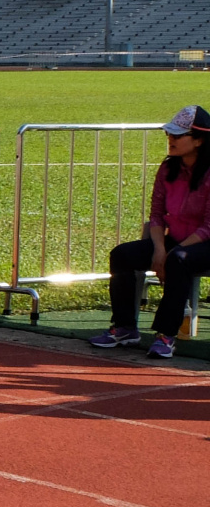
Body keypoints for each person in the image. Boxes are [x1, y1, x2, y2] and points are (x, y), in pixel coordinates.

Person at [91, 105, 210, 359]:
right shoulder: (167, 169)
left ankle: (166, 335)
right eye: (169, 134)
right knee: (122, 255)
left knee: (178, 260)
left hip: (204, 243)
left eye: (178, 135)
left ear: (199, 140)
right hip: (175, 240)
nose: (171, 139)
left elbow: (208, 226)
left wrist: (172, 253)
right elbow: (156, 214)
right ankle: (124, 327)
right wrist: (159, 248)